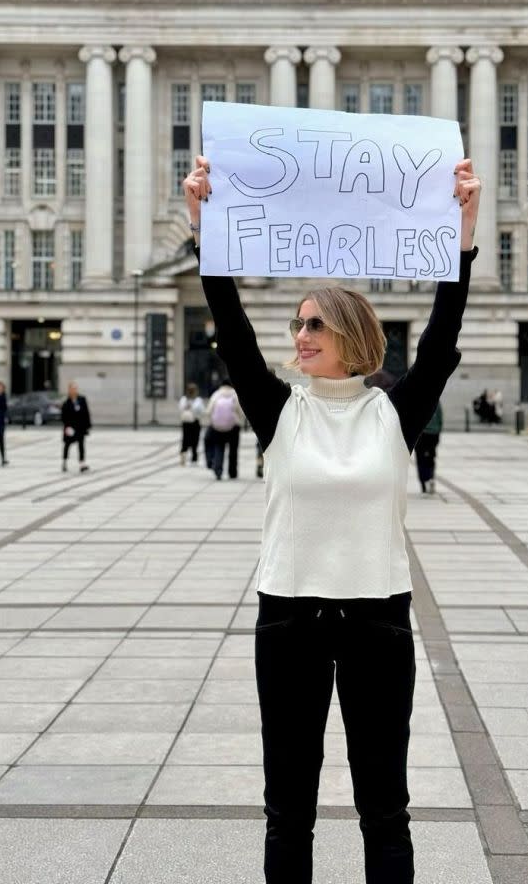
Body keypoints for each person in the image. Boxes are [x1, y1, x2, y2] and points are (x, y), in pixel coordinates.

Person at [183, 151, 480, 884]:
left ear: (351, 333)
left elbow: (440, 343)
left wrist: (462, 234)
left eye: (316, 323)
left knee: (386, 808)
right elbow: (232, 326)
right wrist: (205, 227)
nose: (301, 335)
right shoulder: (278, 409)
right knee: (289, 809)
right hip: (289, 623)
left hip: (379, 623)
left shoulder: (392, 413)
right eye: (297, 323)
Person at [206, 379, 245, 480]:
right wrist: (240, 421)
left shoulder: (216, 394)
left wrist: (213, 421)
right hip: (234, 427)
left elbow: (209, 410)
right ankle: (232, 472)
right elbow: (240, 411)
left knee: (219, 448)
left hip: (218, 427)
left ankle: (218, 470)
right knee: (233, 450)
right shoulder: (235, 395)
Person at [61, 381, 91, 472]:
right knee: (67, 445)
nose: (74, 390)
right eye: (72, 389)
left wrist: (87, 426)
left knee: (81, 445)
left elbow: (86, 413)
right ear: (69, 390)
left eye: (75, 388)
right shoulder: (66, 402)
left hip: (80, 427)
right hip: (70, 427)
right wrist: (67, 427)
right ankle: (64, 462)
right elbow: (64, 416)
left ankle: (82, 464)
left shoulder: (82, 399)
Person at [415, 403, 442, 495]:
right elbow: (440, 418)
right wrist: (438, 430)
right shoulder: (436, 400)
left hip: (421, 433)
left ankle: (424, 482)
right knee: (430, 457)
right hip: (433, 433)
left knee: (421, 458)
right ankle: (430, 477)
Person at [178, 382, 205, 465]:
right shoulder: (197, 400)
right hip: (193, 422)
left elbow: (181, 409)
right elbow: (201, 410)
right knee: (193, 439)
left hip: (187, 422)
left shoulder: (184, 400)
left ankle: (186, 455)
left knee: (188, 439)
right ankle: (192, 457)